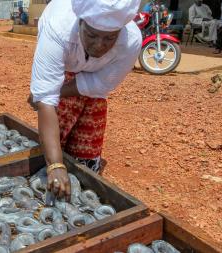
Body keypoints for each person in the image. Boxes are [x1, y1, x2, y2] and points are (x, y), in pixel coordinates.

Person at [28, 0, 141, 199]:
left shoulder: (131, 40)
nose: (99, 45)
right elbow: (47, 100)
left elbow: (101, 83)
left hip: (96, 79)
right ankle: (56, 165)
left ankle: (82, 173)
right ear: (80, 22)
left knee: (89, 125)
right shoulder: (57, 28)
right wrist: (55, 164)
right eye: (91, 35)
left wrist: (54, 92)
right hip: (64, 66)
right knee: (57, 124)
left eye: (109, 38)